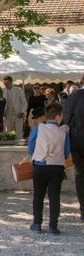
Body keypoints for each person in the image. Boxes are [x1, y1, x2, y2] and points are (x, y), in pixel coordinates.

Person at [28, 102, 71, 234]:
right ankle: (53, 226)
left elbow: (30, 148)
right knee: (54, 197)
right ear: (58, 117)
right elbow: (66, 152)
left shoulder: (37, 129)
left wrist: (39, 154)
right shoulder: (63, 132)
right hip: (56, 167)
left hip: (39, 166)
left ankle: (37, 224)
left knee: (38, 196)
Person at [65, 86, 84, 222]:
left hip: (76, 141)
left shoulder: (73, 96)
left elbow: (66, 118)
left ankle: (83, 209)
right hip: (77, 139)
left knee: (80, 174)